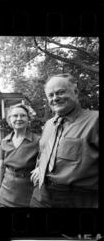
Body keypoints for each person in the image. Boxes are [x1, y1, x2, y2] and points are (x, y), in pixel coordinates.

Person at [30, 73, 99, 208]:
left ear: (76, 92)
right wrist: (41, 167)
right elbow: (45, 151)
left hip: (77, 199)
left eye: (60, 92)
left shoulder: (95, 120)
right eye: (50, 95)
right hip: (40, 195)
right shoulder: (49, 124)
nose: (55, 98)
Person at [0, 103, 40, 207]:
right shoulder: (5, 141)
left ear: (29, 119)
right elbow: (1, 167)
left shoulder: (38, 141)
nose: (19, 118)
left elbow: (46, 163)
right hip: (6, 192)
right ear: (9, 119)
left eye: (23, 115)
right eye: (15, 116)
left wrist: (40, 168)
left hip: (28, 193)